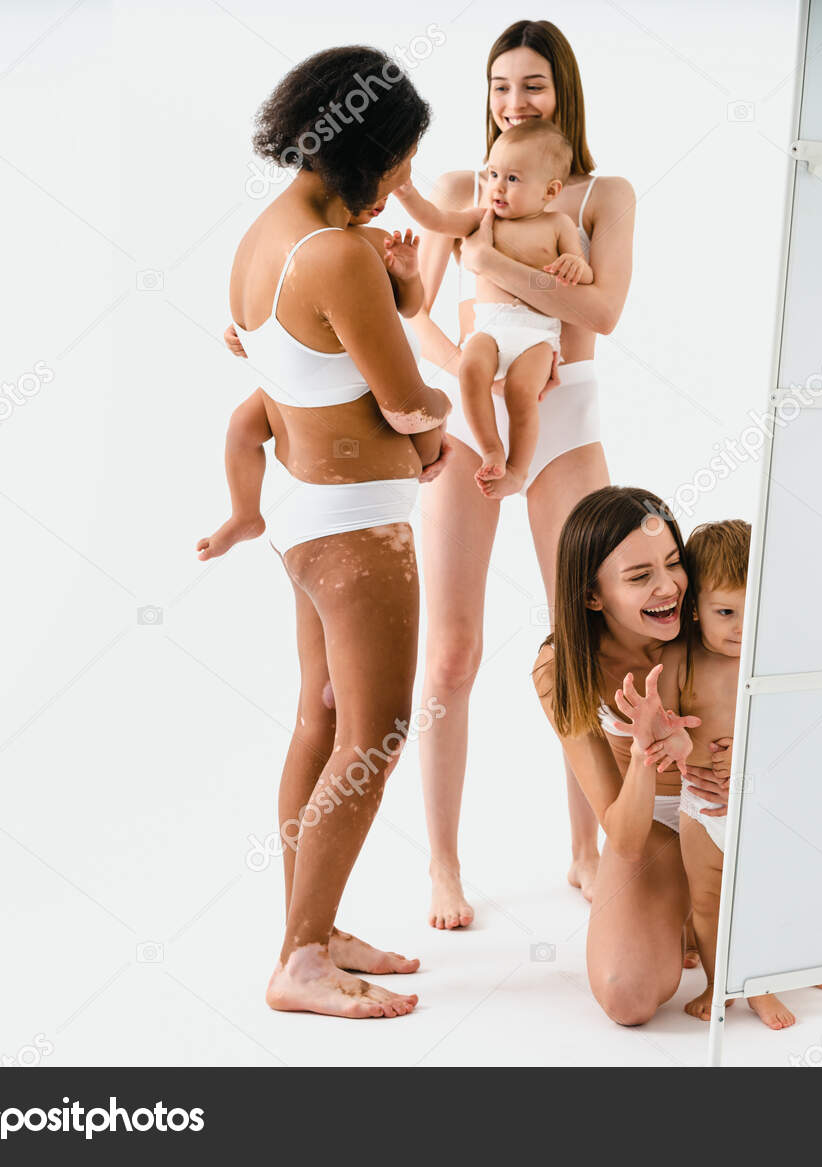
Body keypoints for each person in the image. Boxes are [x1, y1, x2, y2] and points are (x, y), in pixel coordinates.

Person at [223, 45, 453, 1018]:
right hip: (359, 534)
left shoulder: (268, 237)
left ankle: (309, 929)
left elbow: (311, 363)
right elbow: (405, 401)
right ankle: (301, 959)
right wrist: (439, 413)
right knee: (378, 731)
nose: (406, 181)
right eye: (403, 159)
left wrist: (398, 294)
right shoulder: (339, 254)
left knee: (321, 719)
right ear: (372, 150)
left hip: (303, 516)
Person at [409, 20, 637, 930]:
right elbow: (414, 316)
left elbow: (604, 311)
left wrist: (497, 265)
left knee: (581, 639)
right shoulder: (464, 189)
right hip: (472, 414)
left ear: (564, 90)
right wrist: (473, 366)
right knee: (453, 649)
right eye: (501, 85)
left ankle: (587, 852)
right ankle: (443, 866)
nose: (514, 102)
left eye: (533, 85)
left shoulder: (599, 195)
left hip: (563, 406)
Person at [531, 487, 731, 1024]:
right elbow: (622, 835)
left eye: (673, 563)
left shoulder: (713, 621)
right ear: (593, 596)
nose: (669, 587)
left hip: (735, 809)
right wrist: (645, 752)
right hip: (652, 826)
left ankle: (703, 911)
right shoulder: (562, 667)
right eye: (640, 576)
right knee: (628, 997)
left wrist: (758, 768)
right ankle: (683, 904)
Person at [644, 520, 822, 1028]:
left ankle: (781, 971)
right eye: (725, 612)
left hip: (771, 805)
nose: (741, 626)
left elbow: (815, 732)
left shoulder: (779, 659)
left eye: (753, 609)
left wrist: (761, 755)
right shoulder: (678, 661)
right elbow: (665, 732)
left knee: (783, 894)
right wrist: (679, 743)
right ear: (695, 609)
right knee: (708, 900)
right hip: (703, 806)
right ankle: (723, 981)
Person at [198, 208, 423, 560]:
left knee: (419, 417)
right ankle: (244, 514)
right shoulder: (294, 243)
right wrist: (241, 335)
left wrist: (408, 277)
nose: (380, 202)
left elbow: (409, 308)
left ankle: (427, 455)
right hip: (297, 382)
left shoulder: (377, 242)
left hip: (359, 377)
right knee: (241, 425)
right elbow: (274, 313)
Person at [395, 118, 591, 500]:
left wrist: (576, 266)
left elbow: (581, 273)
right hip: (488, 329)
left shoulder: (558, 224)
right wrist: (408, 195)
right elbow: (437, 220)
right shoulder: (482, 216)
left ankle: (517, 469)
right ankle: (492, 449)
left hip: (536, 336)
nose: (497, 186)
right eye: (494, 173)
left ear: (549, 190)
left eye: (513, 179)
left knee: (521, 391)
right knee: (470, 368)